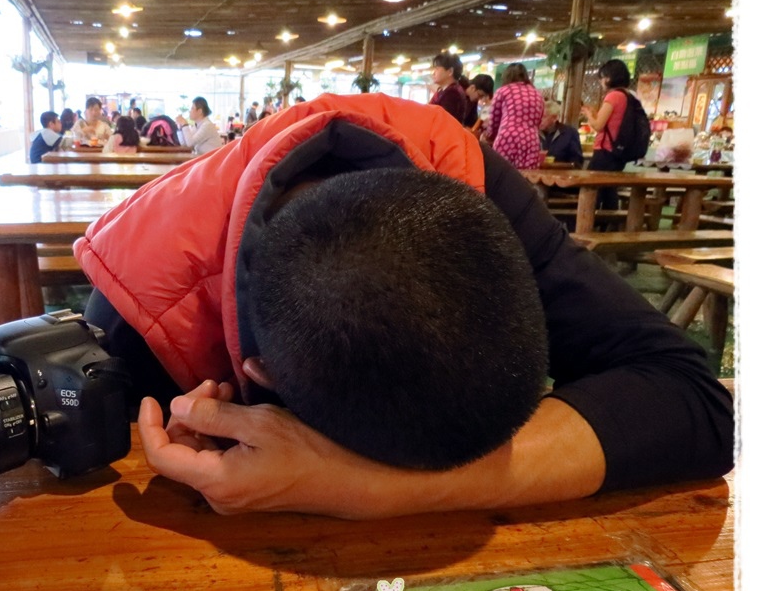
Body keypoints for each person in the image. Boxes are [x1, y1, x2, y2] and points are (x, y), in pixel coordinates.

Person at [72, 93, 733, 518]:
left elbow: (697, 404)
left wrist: (367, 488)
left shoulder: (470, 185)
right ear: (260, 370)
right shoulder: (133, 313)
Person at [581, 59, 636, 209]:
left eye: (602, 77)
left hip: (605, 150)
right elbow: (611, 122)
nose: (601, 81)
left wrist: (588, 115)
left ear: (609, 77)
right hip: (618, 151)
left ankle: (590, 224)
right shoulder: (628, 96)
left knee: (592, 188)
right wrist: (595, 114)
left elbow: (598, 125)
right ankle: (610, 225)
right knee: (609, 189)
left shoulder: (613, 96)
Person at [485, 63, 544, 170]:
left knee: (501, 175)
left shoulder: (503, 91)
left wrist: (489, 136)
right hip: (531, 140)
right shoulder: (537, 93)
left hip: (508, 137)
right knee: (526, 179)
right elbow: (538, 121)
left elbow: (494, 121)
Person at [540, 100, 584, 166]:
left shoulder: (569, 133)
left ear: (554, 118)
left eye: (543, 117)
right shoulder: (532, 133)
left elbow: (577, 161)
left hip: (560, 173)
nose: (539, 120)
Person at [428, 52, 469, 124]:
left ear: (450, 71)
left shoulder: (453, 93)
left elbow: (442, 121)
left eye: (437, 69)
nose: (433, 73)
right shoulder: (446, 90)